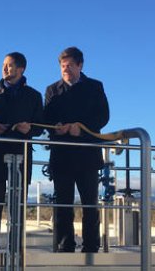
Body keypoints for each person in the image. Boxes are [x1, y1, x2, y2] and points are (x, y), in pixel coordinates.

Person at [43, 47, 110, 253]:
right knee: (63, 205)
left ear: (80, 65)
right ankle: (65, 246)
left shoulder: (95, 87)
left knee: (90, 205)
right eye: (63, 66)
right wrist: (59, 127)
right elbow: (46, 120)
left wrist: (80, 128)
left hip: (87, 156)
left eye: (70, 65)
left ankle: (91, 246)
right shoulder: (52, 90)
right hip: (62, 156)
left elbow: (103, 117)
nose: (66, 69)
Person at [0, 52, 44, 252]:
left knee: (19, 205)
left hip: (22, 155)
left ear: (21, 69)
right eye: (4, 65)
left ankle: (17, 246)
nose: (5, 68)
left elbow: (40, 127)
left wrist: (29, 129)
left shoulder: (34, 96)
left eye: (9, 65)